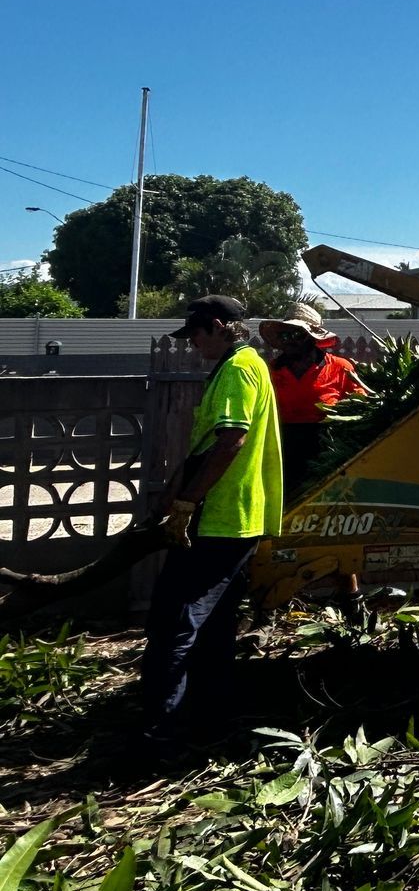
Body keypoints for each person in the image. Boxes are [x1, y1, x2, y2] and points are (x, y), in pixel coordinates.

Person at [137, 294, 283, 752]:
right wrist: (173, 495)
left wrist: (187, 504)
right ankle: (212, 717)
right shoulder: (240, 365)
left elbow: (230, 442)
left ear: (219, 326)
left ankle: (162, 731)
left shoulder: (239, 368)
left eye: (197, 333)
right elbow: (206, 443)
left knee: (174, 620)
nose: (193, 344)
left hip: (222, 516)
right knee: (216, 621)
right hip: (233, 515)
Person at [261, 302, 367, 487]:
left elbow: (360, 408)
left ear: (312, 338)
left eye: (296, 334)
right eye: (284, 335)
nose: (289, 340)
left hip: (326, 452)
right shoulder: (270, 370)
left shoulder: (340, 367)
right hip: (280, 449)